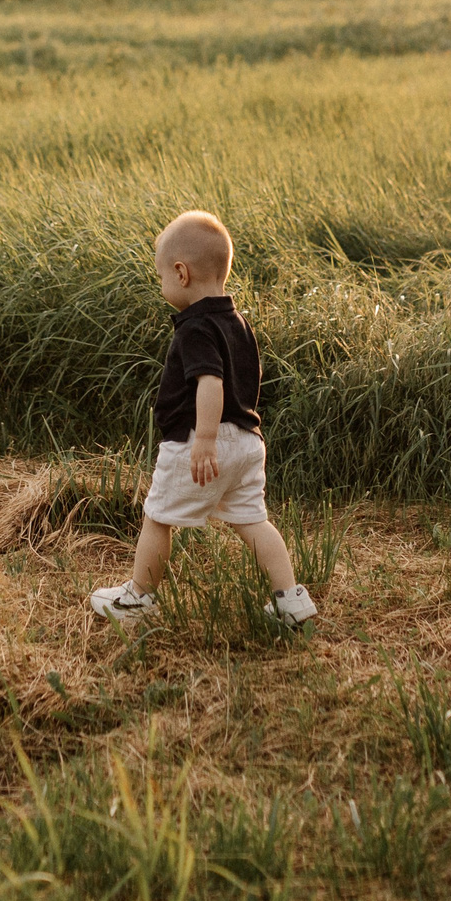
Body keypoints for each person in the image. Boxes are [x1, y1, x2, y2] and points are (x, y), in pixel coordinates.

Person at [88, 211, 318, 628]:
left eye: (161, 277)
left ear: (181, 273)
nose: (161, 286)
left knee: (158, 517)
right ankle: (291, 600)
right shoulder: (238, 323)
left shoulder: (194, 327)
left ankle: (138, 597)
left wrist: (206, 439)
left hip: (199, 443)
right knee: (254, 522)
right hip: (248, 442)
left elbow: (210, 382)